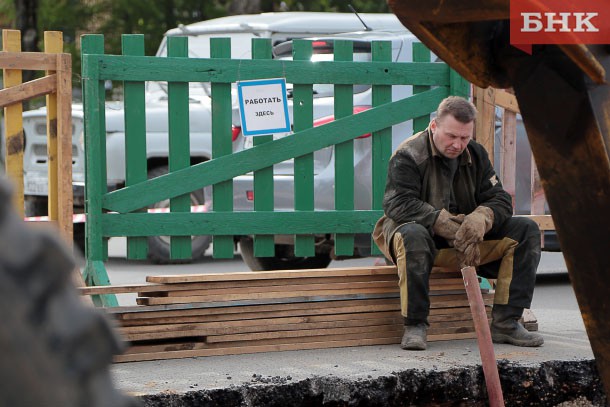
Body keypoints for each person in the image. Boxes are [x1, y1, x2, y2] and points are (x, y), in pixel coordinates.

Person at [373, 96, 544, 350]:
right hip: (421, 241)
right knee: (413, 235)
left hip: (466, 241)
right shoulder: (408, 154)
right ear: (434, 126)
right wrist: (441, 222)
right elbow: (397, 204)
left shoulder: (475, 152)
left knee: (526, 230)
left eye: (464, 138)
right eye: (451, 136)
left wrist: (481, 218)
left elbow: (500, 199)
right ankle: (415, 325)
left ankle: (506, 323)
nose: (458, 144)